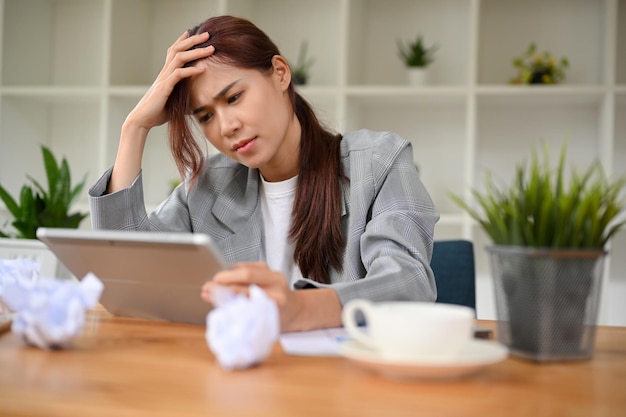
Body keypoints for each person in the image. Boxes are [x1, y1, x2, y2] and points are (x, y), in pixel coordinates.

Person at [88, 15, 439, 332]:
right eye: (205, 116)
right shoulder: (209, 185)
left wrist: (298, 308)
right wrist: (134, 127)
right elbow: (127, 278)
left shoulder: (378, 163)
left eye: (235, 97)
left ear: (280, 73)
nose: (227, 126)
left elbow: (408, 282)